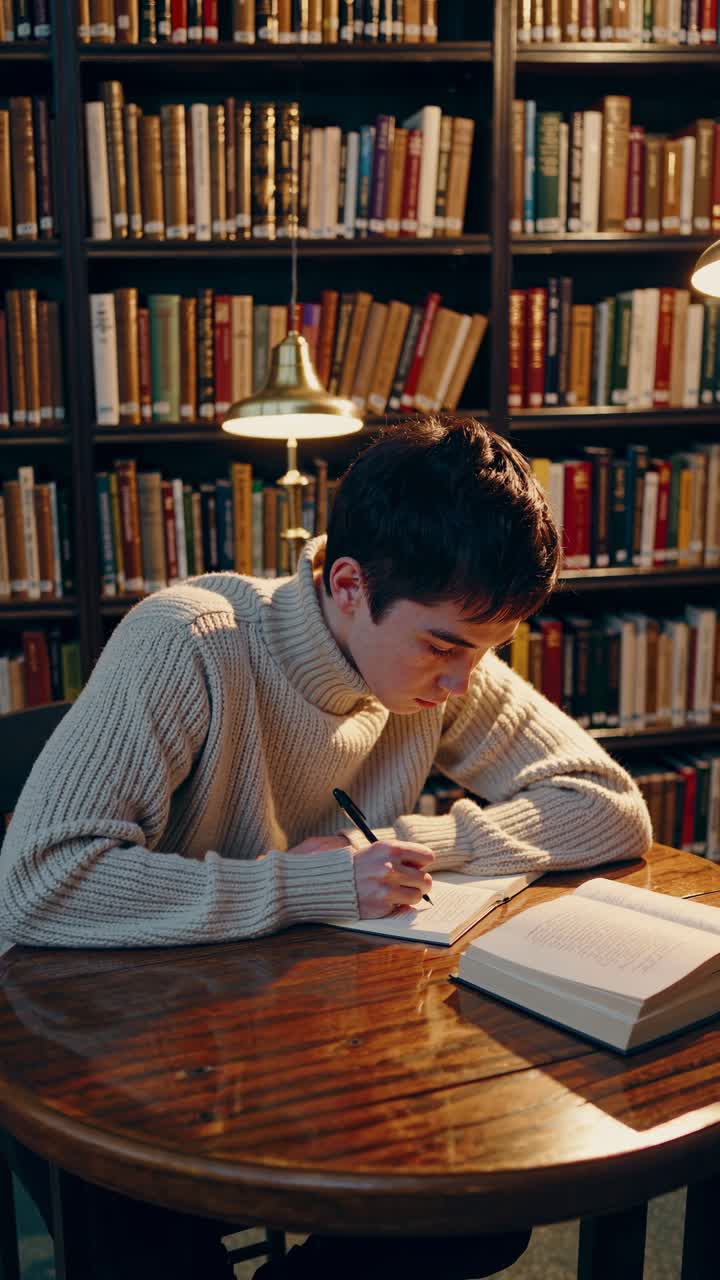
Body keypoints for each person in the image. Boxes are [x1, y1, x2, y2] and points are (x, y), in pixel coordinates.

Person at [0, 417, 652, 1279]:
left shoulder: (439, 656)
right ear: (348, 584)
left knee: (474, 1207)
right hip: (96, 1047)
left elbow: (609, 806)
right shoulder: (191, 641)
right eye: (446, 647)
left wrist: (413, 844)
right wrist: (311, 887)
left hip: (283, 1025)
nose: (464, 680)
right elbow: (43, 885)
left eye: (488, 650)